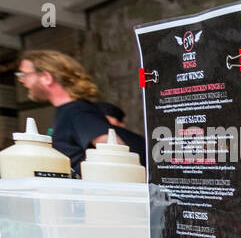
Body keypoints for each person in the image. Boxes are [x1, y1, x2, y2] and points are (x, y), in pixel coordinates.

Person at [16, 50, 145, 174]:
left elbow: (117, 154)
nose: (21, 80)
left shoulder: (77, 112)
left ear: (46, 77)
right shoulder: (68, 111)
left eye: (24, 75)